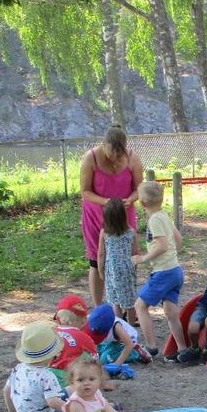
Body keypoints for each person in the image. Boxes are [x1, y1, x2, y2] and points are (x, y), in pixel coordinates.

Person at [80, 125, 144, 307]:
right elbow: (85, 191)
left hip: (124, 216)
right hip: (97, 216)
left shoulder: (133, 158)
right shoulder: (90, 158)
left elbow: (139, 188)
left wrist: (130, 199)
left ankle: (127, 304)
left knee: (129, 258)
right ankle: (100, 308)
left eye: (119, 156)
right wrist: (106, 201)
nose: (115, 160)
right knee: (96, 261)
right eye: (111, 155)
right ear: (104, 145)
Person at [132, 181, 190, 362]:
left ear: (141, 204)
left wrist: (143, 258)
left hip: (163, 272)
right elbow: (178, 239)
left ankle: (150, 347)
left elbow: (163, 246)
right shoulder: (164, 216)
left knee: (139, 306)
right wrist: (174, 254)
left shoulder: (154, 220)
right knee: (171, 313)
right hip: (175, 270)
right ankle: (183, 350)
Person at [3, 321, 68, 412]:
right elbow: (53, 403)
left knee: (71, 390)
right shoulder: (46, 376)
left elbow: (7, 390)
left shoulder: (18, 368)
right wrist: (73, 411)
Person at [97, 198, 138, 327]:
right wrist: (134, 269)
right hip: (127, 269)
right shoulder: (131, 232)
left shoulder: (104, 233)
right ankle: (131, 327)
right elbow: (136, 253)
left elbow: (101, 254)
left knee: (115, 301)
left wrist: (100, 271)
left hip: (112, 270)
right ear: (123, 216)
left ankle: (120, 328)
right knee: (130, 302)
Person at [85, 304, 152, 366]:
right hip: (110, 341)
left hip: (125, 342)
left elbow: (129, 344)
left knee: (104, 359)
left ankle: (136, 353)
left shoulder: (117, 327)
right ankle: (107, 348)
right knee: (95, 353)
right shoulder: (89, 319)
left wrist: (117, 364)